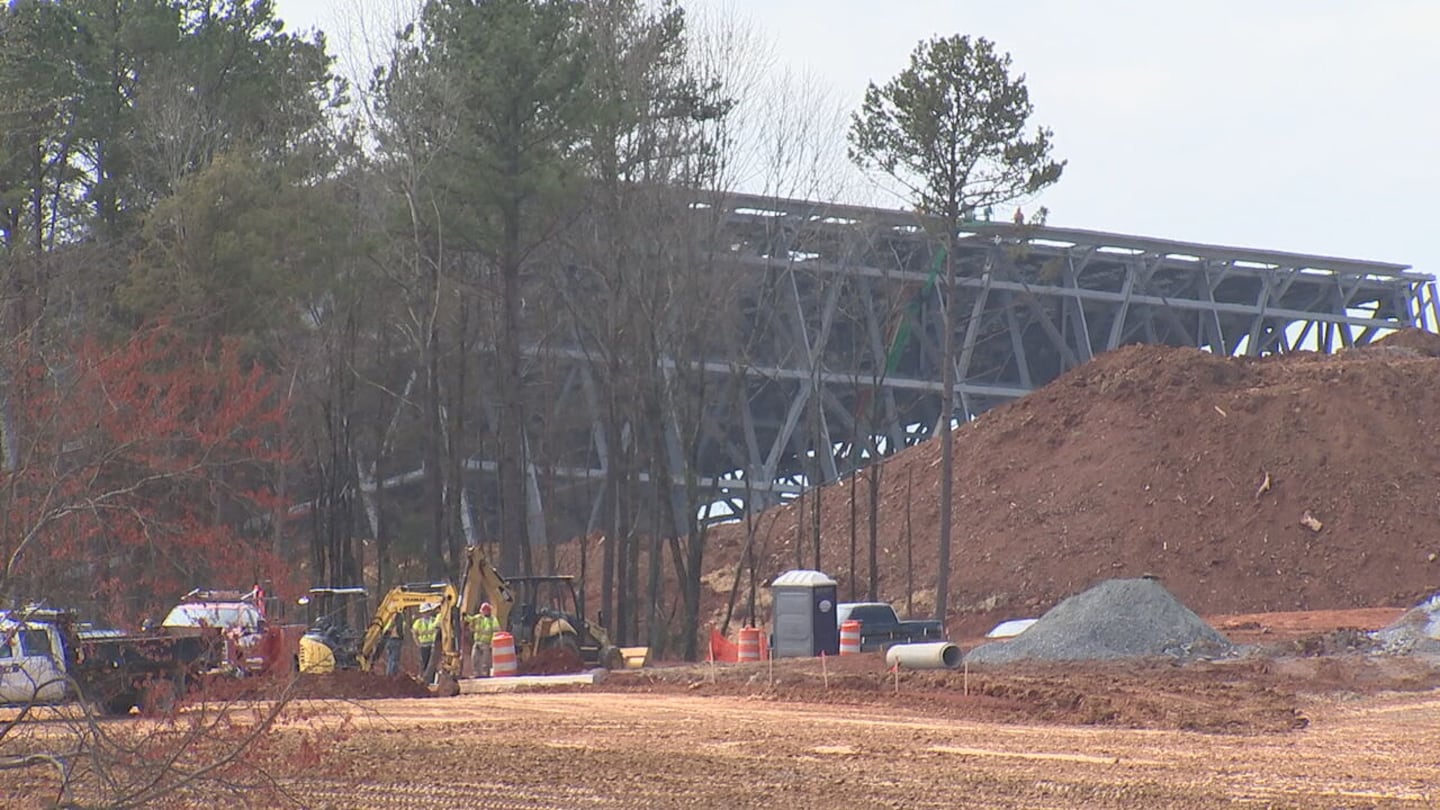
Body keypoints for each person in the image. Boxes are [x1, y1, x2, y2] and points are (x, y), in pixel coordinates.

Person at [465, 601, 500, 677]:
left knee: (485, 661)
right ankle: (476, 674)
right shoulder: (478, 618)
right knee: (474, 659)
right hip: (477, 642)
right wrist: (464, 615)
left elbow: (496, 631)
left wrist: (492, 643)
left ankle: (484, 675)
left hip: (486, 643)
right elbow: (470, 619)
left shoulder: (492, 620)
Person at [412, 602, 439, 679]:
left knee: (432, 663)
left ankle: (432, 679)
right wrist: (418, 644)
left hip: (433, 645)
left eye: (427, 612)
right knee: (425, 663)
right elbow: (414, 633)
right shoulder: (418, 622)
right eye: (424, 612)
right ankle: (426, 679)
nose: (426, 614)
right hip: (423, 645)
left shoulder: (434, 620)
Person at [382, 611, 404, 677]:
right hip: (395, 640)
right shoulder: (398, 620)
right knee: (394, 660)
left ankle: (389, 674)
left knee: (390, 659)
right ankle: (392, 675)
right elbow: (400, 631)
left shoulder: (387, 620)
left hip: (389, 641)